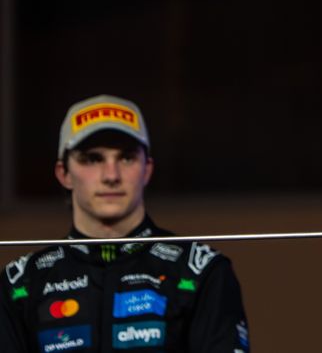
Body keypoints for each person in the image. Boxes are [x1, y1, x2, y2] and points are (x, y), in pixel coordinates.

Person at [0, 95, 251, 352]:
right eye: (93, 159)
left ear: (147, 169)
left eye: (127, 158)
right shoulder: (22, 283)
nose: (111, 176)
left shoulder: (201, 271)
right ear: (64, 173)